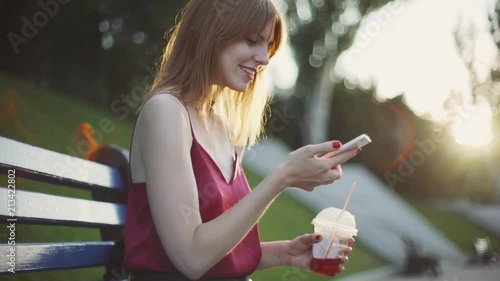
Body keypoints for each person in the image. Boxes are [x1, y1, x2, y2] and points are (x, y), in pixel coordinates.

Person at [123, 0, 360, 280]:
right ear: (211, 32)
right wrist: (281, 178)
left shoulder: (220, 125)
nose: (265, 58)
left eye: (267, 46)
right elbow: (191, 257)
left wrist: (285, 253)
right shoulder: (166, 111)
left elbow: (214, 246)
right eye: (252, 41)